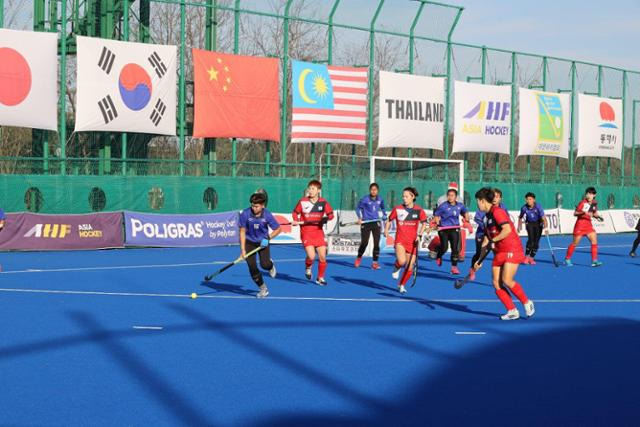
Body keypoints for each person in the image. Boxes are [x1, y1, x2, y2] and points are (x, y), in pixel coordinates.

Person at [473, 187, 535, 320]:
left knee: (507, 280)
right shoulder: (485, 218)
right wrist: (479, 260)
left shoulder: (498, 212)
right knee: (496, 283)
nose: (477, 204)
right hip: (499, 251)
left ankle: (527, 302)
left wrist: (492, 240)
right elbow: (485, 240)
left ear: (483, 201)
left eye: (478, 201)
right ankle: (512, 310)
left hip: (512, 249)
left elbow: (506, 230)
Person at [384, 187, 428, 294]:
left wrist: (420, 235)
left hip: (412, 242)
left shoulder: (419, 210)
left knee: (409, 267)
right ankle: (396, 266)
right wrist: (386, 230)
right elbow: (389, 220)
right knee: (402, 261)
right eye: (403, 196)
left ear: (413, 197)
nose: (404, 198)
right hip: (400, 240)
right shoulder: (398, 209)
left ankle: (401, 284)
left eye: (406, 196)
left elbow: (424, 223)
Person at [238, 193, 282, 298]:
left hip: (263, 242)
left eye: (256, 206)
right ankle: (263, 288)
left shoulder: (267, 215)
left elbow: (278, 229)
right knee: (252, 266)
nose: (254, 208)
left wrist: (268, 238)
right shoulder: (245, 214)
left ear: (263, 205)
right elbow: (242, 231)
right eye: (252, 205)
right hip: (249, 242)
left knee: (264, 265)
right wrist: (243, 249)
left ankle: (270, 266)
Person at [292, 180, 335, 285]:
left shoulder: (323, 202)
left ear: (318, 190)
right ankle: (308, 266)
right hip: (306, 231)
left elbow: (331, 214)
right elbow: (295, 212)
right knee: (311, 256)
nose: (310, 191)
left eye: (313, 189)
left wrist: (326, 218)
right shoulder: (302, 201)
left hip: (318, 232)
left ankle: (320, 278)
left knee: (322, 257)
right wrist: (296, 220)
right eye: (309, 188)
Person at [468, 188, 505, 281]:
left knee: (498, 255)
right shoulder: (485, 207)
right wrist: (486, 227)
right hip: (482, 233)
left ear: (500, 198)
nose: (495, 198)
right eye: (494, 196)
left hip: (495, 236)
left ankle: (501, 276)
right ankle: (472, 269)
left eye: (497, 196)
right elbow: (477, 218)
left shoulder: (502, 208)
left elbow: (506, 221)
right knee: (479, 253)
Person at [433, 188, 471, 275]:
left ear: (456, 197)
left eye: (452, 196)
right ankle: (439, 255)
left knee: (455, 249)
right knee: (445, 247)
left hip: (455, 229)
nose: (450, 197)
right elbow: (436, 215)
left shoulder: (460, 206)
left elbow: (465, 213)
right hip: (443, 229)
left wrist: (467, 220)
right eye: (449, 196)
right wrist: (437, 223)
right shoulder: (443, 206)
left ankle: (454, 267)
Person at [564, 187, 603, 267]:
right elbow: (575, 213)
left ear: (594, 195)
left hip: (588, 225)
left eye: (590, 194)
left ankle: (594, 261)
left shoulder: (594, 203)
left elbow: (594, 213)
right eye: (587, 193)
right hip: (580, 226)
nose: (588, 195)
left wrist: (598, 217)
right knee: (575, 243)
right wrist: (583, 212)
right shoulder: (582, 203)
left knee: (594, 241)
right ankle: (567, 259)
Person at [355, 183, 387, 269]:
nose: (373, 191)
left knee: (376, 243)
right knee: (364, 243)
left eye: (375, 189)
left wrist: (384, 215)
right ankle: (359, 257)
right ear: (370, 190)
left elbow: (383, 208)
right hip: (366, 223)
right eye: (372, 189)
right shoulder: (365, 199)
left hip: (376, 222)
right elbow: (357, 208)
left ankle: (375, 262)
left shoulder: (380, 199)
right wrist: (359, 218)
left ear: (378, 190)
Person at [517, 192, 548, 265]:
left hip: (538, 224)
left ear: (534, 200)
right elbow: (520, 217)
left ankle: (531, 258)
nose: (528, 201)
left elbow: (544, 218)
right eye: (527, 199)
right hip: (529, 224)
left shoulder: (538, 206)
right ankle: (526, 257)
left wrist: (546, 229)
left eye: (530, 199)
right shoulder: (524, 208)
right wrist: (519, 226)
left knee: (536, 243)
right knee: (531, 240)